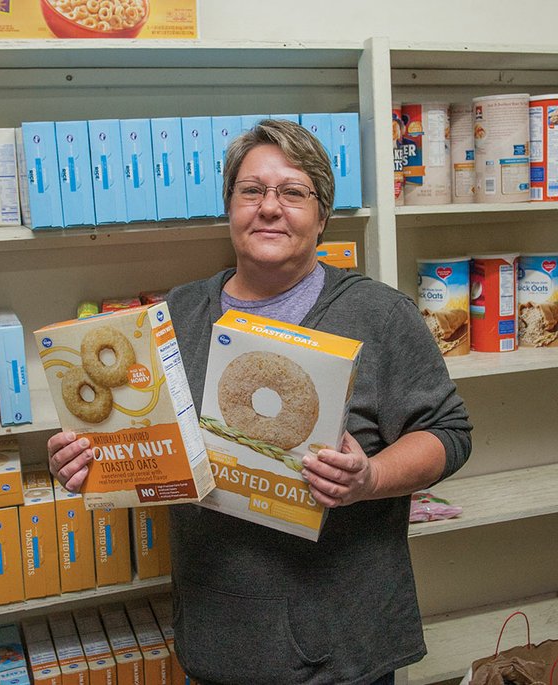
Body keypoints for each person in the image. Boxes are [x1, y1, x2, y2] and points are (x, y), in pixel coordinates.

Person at [48, 119, 472, 685]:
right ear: (230, 208)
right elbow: (151, 445)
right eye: (252, 191)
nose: (269, 207)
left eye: (293, 192)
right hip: (221, 629)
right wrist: (93, 462)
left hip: (341, 635)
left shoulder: (379, 314)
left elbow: (449, 434)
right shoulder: (180, 313)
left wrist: (369, 477)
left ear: (322, 216)